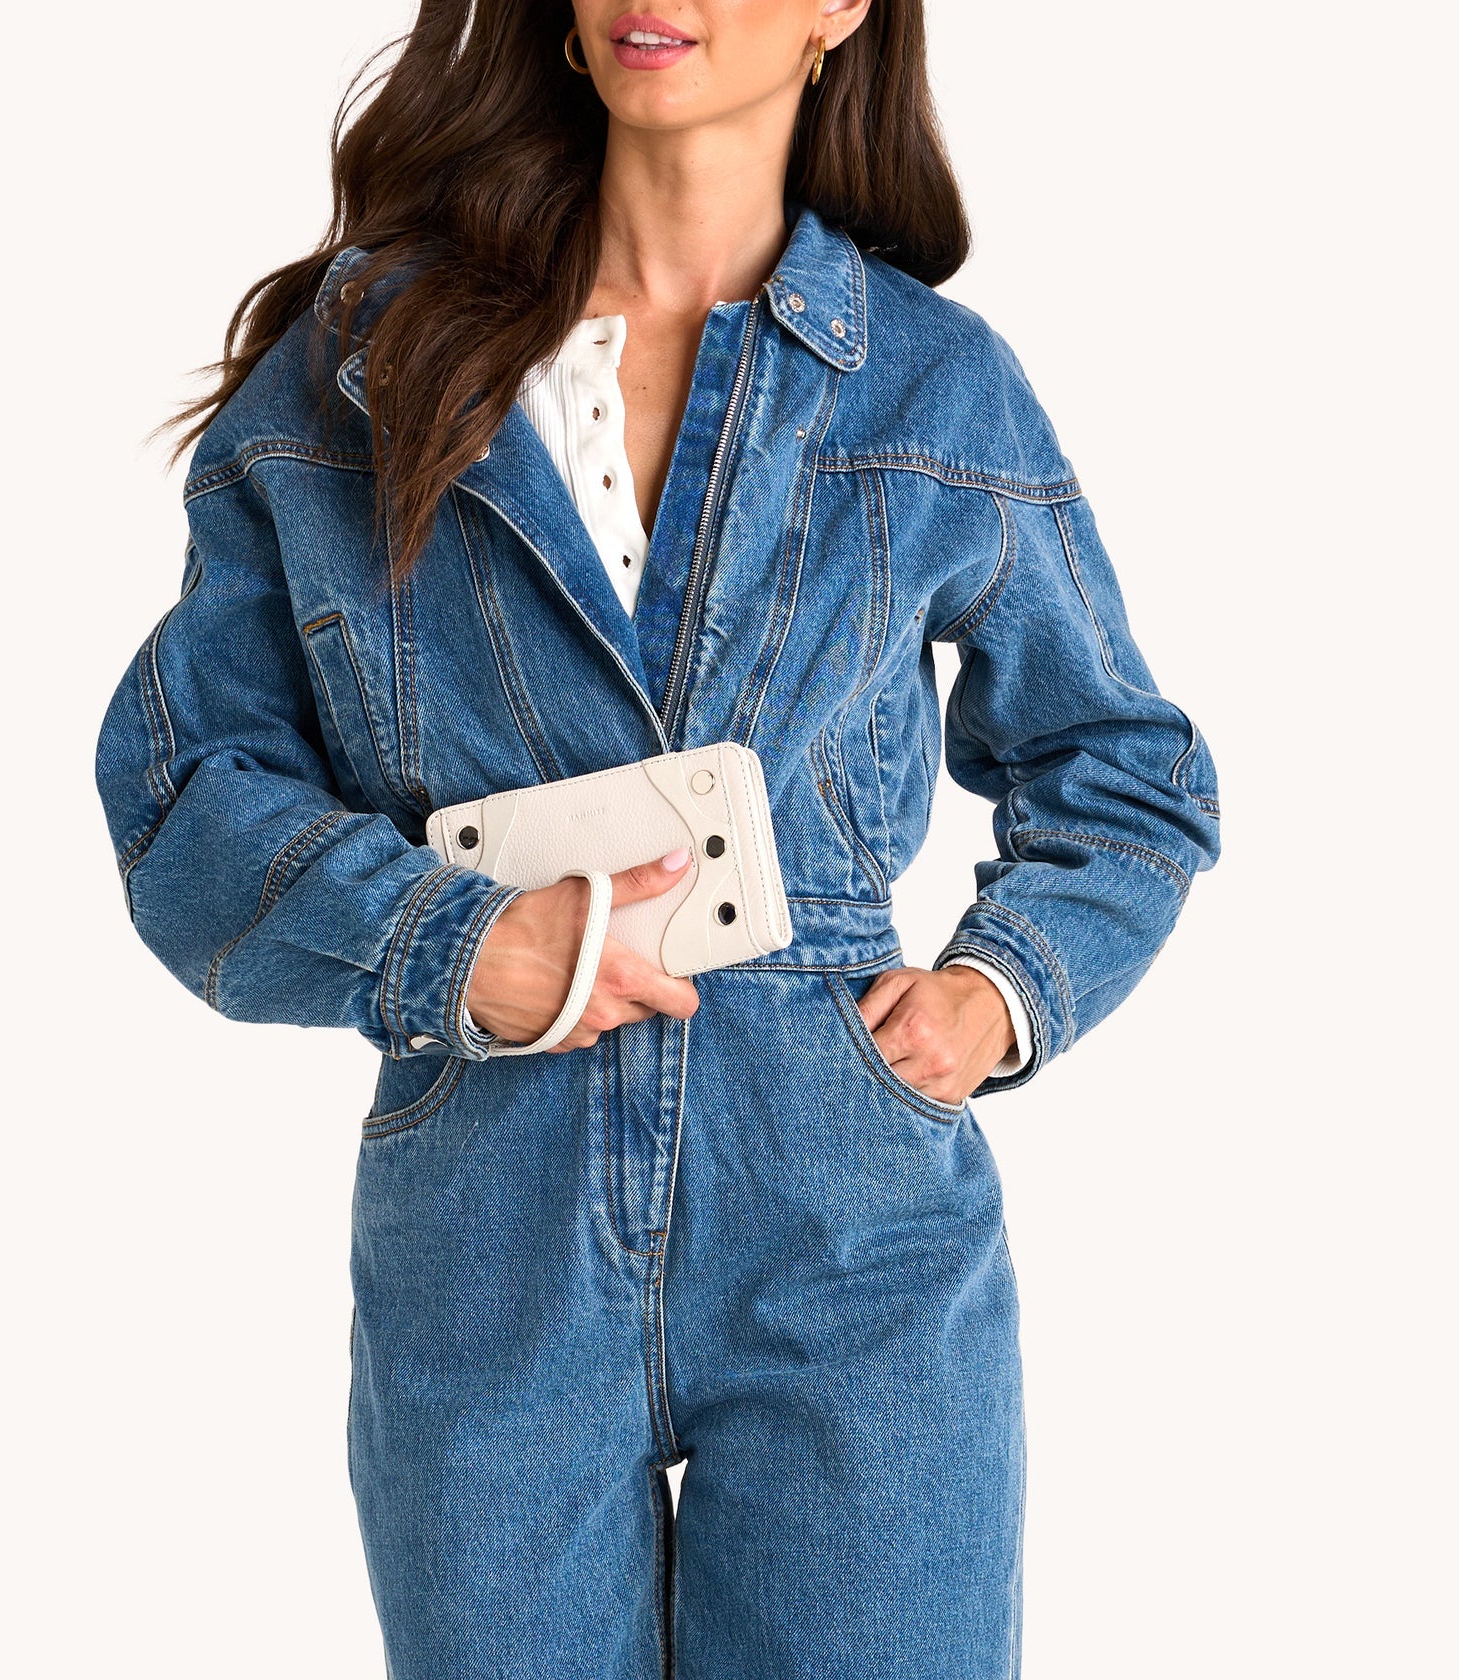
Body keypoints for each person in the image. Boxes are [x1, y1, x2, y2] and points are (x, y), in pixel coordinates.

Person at [94, 2, 1223, 1674]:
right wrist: (455, 942)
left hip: (850, 1226)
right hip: (488, 1222)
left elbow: (1122, 769)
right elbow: (186, 789)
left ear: (842, 9)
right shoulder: (366, 364)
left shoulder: (933, 387)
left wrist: (996, 995)